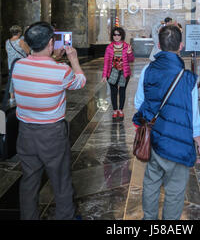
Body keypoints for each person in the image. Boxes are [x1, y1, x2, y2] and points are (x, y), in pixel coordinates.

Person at [11, 21, 86, 220]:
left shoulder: (18, 66)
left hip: (26, 132)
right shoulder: (61, 71)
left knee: (29, 180)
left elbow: (36, 64)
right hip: (52, 134)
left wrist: (53, 57)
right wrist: (73, 59)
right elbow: (80, 82)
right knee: (60, 181)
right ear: (51, 43)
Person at [133, 24, 200, 220]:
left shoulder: (148, 70)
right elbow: (194, 115)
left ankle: (149, 219)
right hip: (180, 142)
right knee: (175, 189)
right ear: (181, 46)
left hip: (155, 139)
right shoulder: (188, 78)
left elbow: (138, 103)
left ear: (159, 45)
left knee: (151, 181)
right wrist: (199, 142)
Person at [102, 26, 134, 120]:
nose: (116, 36)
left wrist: (129, 53)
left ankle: (121, 110)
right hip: (112, 72)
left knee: (122, 91)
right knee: (113, 92)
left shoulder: (127, 46)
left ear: (122, 35)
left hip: (124, 72)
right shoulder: (109, 47)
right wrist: (104, 75)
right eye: (114, 35)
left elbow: (131, 60)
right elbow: (106, 62)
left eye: (118, 35)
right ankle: (115, 110)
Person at [5, 25, 31, 105]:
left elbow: (7, 52)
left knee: (12, 81)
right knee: (22, 80)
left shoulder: (7, 42)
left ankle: (12, 98)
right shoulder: (20, 41)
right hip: (20, 65)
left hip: (11, 64)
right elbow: (28, 51)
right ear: (19, 33)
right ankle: (22, 97)